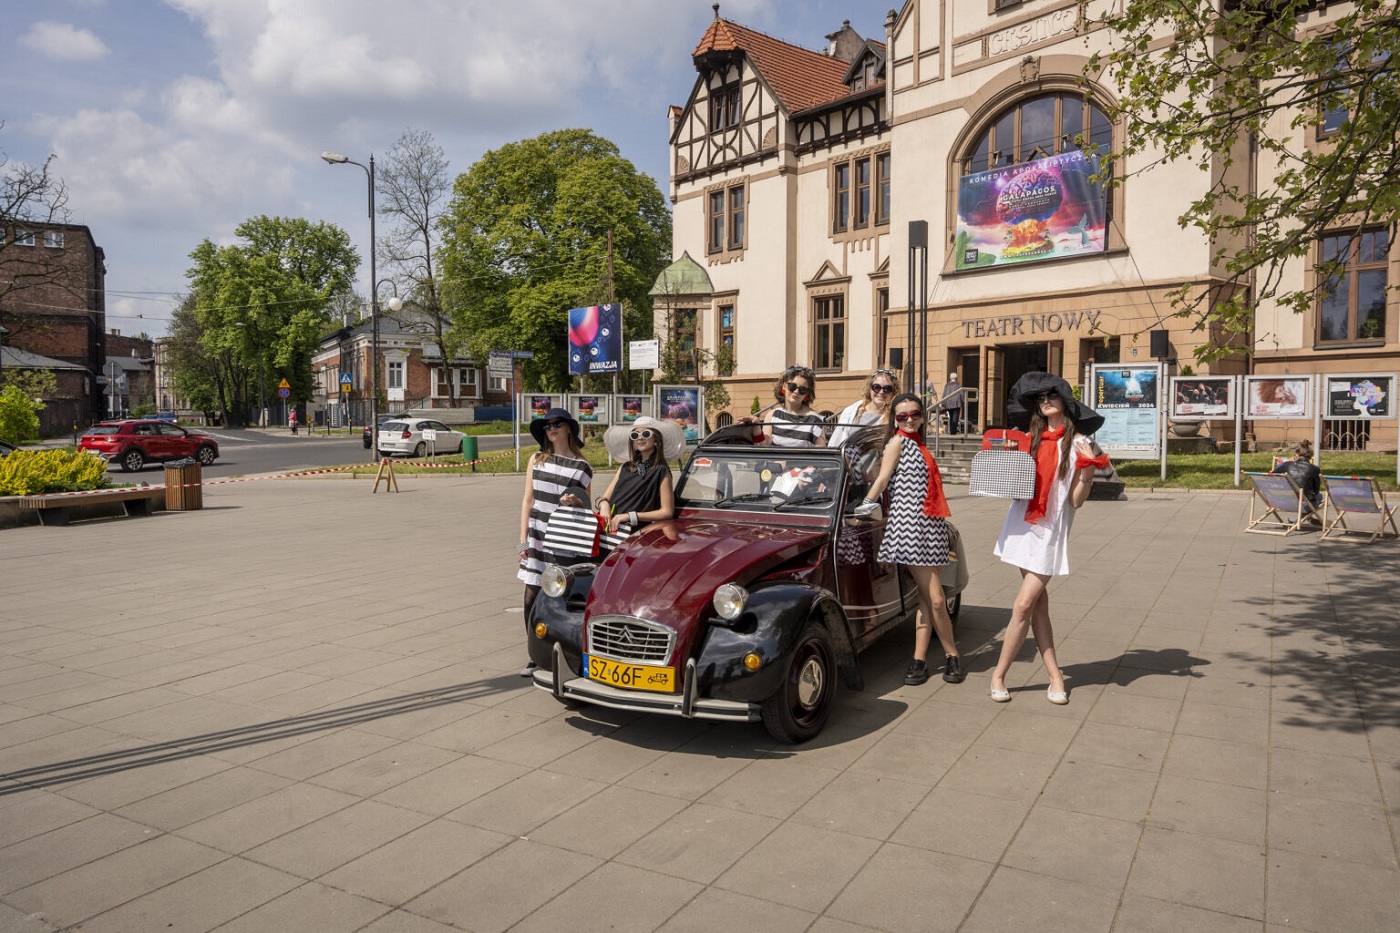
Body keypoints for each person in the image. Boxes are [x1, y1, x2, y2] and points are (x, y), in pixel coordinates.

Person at [989, 373, 1110, 705]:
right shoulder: (1030, 438)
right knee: (1039, 605)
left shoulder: (1079, 443)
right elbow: (1012, 486)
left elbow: (1075, 501)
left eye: (1051, 395)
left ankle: (998, 675)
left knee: (1024, 604)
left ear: (1065, 402)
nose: (1045, 400)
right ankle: (1055, 676)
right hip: (1021, 525)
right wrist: (1010, 458)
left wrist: (1087, 472)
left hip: (1049, 531)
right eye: (1040, 397)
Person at [859, 393, 964, 686]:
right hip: (909, 530)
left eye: (914, 414)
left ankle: (919, 660)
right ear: (894, 420)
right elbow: (882, 479)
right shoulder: (898, 443)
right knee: (936, 597)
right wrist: (863, 508)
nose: (908, 420)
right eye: (902, 416)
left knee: (925, 600)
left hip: (929, 527)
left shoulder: (920, 445)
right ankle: (951, 655)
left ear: (922, 415)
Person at [517, 407, 592, 676]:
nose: (551, 428)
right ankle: (534, 655)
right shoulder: (536, 459)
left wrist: (575, 502)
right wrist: (522, 541)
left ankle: (560, 654)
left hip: (563, 537)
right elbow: (528, 500)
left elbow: (586, 509)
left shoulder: (582, 467)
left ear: (569, 428)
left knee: (557, 599)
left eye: (557, 423)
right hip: (536, 537)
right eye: (547, 425)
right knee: (530, 597)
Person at [596, 416, 683, 534]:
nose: (640, 438)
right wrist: (604, 505)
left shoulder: (661, 471)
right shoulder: (625, 467)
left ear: (656, 438)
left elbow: (667, 512)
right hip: (606, 530)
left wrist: (629, 516)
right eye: (635, 435)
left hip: (633, 534)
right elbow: (603, 498)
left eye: (646, 434)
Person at [741, 365, 827, 448]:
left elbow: (821, 457)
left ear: (807, 394)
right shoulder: (772, 415)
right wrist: (756, 426)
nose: (796, 391)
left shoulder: (815, 420)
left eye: (802, 389)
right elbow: (764, 448)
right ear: (784, 386)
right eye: (792, 386)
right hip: (774, 463)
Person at [829, 369, 900, 447]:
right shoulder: (851, 412)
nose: (881, 392)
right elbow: (836, 441)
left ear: (894, 392)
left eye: (887, 389)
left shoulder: (896, 417)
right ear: (870, 389)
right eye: (877, 387)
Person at [1272, 439, 1322, 516]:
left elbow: (1271, 476)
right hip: (1304, 504)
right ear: (1310, 456)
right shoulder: (1315, 469)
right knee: (1319, 496)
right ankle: (1300, 520)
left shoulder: (1286, 465)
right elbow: (1316, 490)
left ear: (1296, 454)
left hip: (1284, 502)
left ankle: (1299, 520)